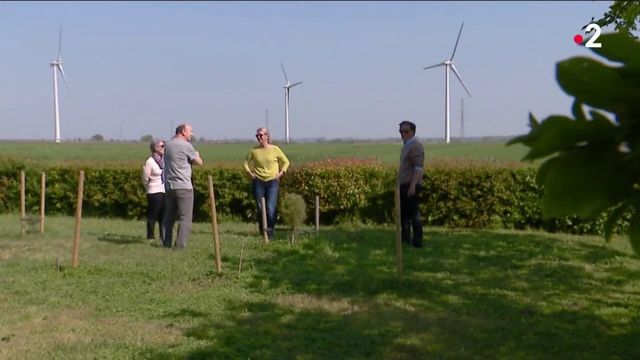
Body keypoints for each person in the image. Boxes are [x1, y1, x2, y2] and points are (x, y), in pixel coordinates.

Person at [242, 127, 290, 240]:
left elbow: (286, 162)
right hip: (258, 182)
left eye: (261, 135)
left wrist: (281, 173)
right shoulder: (254, 151)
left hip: (272, 181)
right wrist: (250, 173)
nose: (259, 137)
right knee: (260, 208)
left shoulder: (275, 149)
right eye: (257, 136)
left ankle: (270, 231)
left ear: (267, 136)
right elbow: (245, 163)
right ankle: (262, 231)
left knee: (270, 208)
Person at [161, 124, 203, 249]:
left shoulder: (168, 145)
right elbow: (199, 162)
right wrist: (197, 154)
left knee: (168, 216)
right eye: (190, 132)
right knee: (185, 218)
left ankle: (166, 243)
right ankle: (180, 245)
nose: (191, 134)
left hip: (169, 186)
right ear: (184, 131)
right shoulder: (186, 146)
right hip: (184, 186)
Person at [398, 120, 425, 248]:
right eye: (401, 131)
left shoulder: (415, 146)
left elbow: (418, 168)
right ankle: (405, 239)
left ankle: (417, 242)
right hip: (404, 184)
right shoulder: (407, 145)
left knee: (414, 214)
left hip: (410, 184)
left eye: (406, 131)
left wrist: (413, 185)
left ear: (412, 132)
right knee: (404, 214)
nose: (403, 134)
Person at [141, 138, 166, 242]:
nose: (164, 148)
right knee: (153, 215)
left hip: (164, 190)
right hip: (154, 192)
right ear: (155, 148)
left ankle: (163, 237)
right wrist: (148, 187)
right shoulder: (150, 161)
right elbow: (145, 177)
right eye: (162, 146)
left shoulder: (165, 160)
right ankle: (150, 236)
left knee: (163, 215)